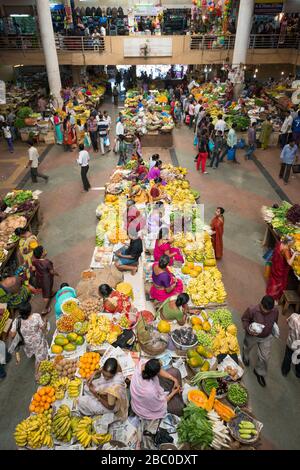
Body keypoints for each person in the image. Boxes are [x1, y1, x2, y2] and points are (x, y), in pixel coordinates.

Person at [242, 295, 279, 387]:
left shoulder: (275, 311)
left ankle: (259, 371)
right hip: (252, 336)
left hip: (266, 337)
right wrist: (248, 329)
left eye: (268, 310)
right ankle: (245, 356)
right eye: (264, 309)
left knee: (265, 357)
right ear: (260, 304)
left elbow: (275, 322)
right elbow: (245, 319)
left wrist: (273, 330)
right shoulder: (252, 310)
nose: (266, 311)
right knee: (247, 347)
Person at [10, 302, 48, 378]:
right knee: (39, 358)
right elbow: (43, 328)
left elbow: (12, 334)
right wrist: (45, 322)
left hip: (27, 342)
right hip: (38, 341)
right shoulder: (36, 316)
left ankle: (34, 354)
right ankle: (37, 373)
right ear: (30, 310)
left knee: (32, 350)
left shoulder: (17, 321)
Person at [266, 236, 299, 301]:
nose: (292, 245)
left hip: (275, 266)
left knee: (273, 280)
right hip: (280, 270)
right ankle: (272, 296)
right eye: (291, 244)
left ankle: (270, 291)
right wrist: (294, 254)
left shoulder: (280, 243)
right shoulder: (286, 250)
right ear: (288, 243)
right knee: (278, 283)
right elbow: (289, 263)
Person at [32, 245, 58, 315]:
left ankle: (51, 293)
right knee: (46, 294)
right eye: (44, 250)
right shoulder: (47, 262)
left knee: (46, 289)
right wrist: (57, 274)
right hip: (47, 280)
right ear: (41, 254)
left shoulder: (35, 261)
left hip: (39, 279)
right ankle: (45, 309)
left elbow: (34, 269)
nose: (45, 251)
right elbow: (51, 272)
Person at [281, 312, 300, 378]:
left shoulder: (294, 317)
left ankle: (285, 371)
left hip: (291, 343)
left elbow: (288, 323)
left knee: (288, 356)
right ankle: (298, 372)